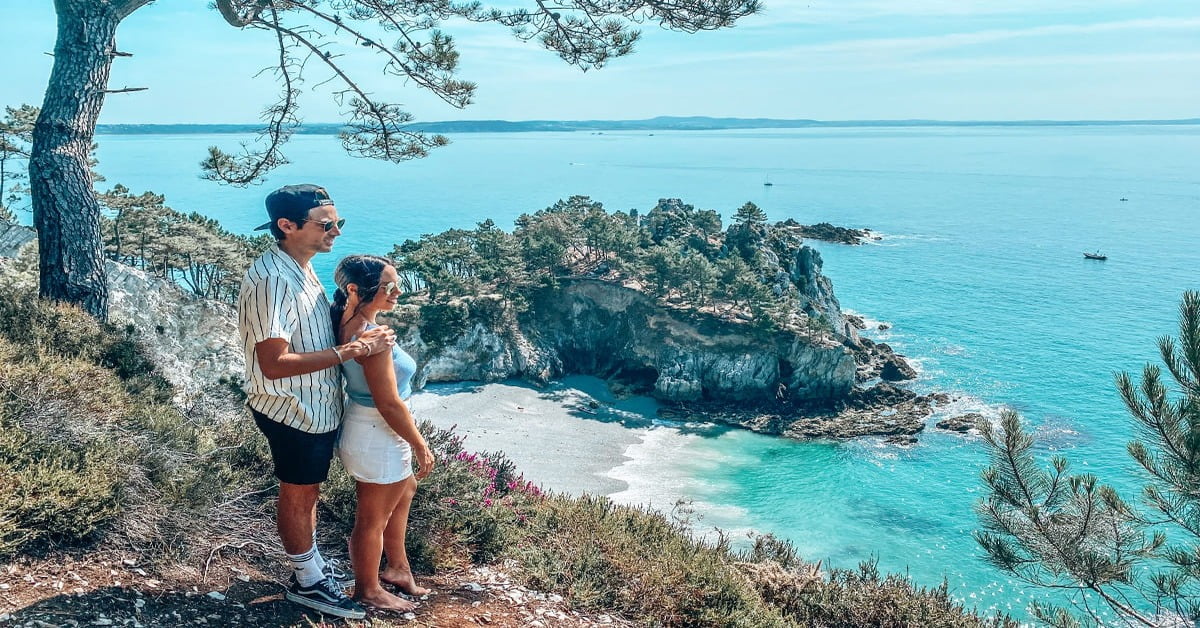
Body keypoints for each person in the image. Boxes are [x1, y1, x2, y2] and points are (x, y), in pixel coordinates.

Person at [237, 184, 395, 620]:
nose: (336, 233)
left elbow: (312, 329)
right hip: (292, 406)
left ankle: (311, 569)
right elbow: (273, 363)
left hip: (314, 403)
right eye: (326, 225)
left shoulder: (299, 266)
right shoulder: (272, 279)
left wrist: (356, 320)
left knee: (308, 490)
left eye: (338, 223)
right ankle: (308, 583)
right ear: (286, 226)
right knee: (300, 492)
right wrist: (354, 352)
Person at [331, 254, 436, 612]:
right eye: (389, 286)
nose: (398, 292)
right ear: (355, 290)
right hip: (378, 432)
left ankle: (398, 568)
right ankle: (367, 590)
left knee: (405, 487)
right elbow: (389, 403)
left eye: (397, 284)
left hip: (366, 428)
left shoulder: (348, 322)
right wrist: (420, 445)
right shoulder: (371, 338)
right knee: (371, 519)